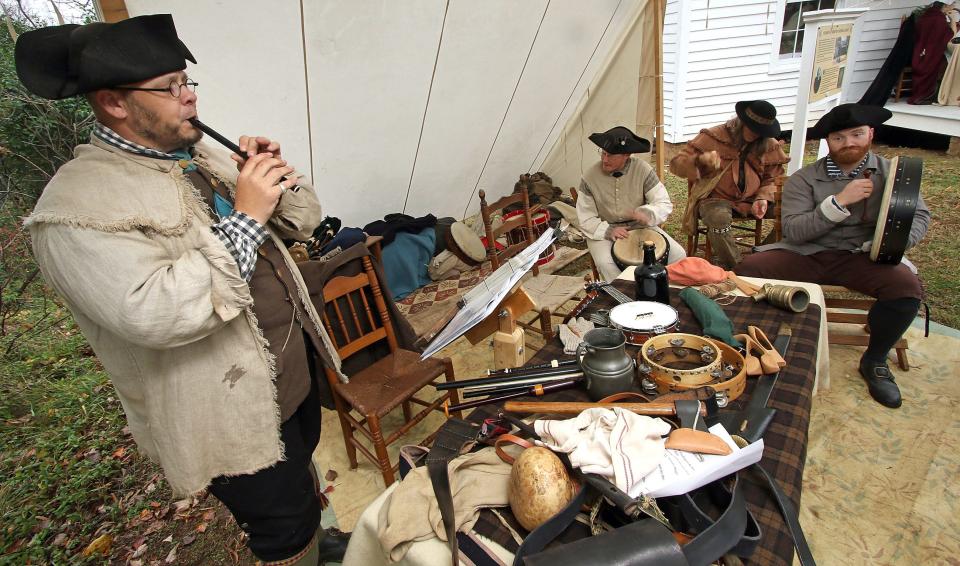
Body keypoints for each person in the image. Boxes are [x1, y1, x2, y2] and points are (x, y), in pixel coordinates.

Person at [15, 15, 349, 565]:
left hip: (293, 375)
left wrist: (267, 175)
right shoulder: (73, 210)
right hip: (228, 410)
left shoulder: (197, 152)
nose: (189, 98)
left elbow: (305, 222)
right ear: (114, 103)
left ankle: (319, 536)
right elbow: (155, 311)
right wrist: (245, 216)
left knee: (302, 483)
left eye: (188, 81)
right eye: (171, 87)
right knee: (281, 529)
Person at [735, 103, 930, 409]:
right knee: (748, 269)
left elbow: (918, 216)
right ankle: (762, 344)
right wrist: (839, 202)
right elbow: (795, 231)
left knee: (905, 288)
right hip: (807, 253)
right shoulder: (805, 178)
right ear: (828, 142)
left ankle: (875, 359)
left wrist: (888, 246)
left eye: (857, 134)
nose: (849, 142)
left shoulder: (893, 174)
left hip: (861, 256)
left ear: (871, 134)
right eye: (839, 137)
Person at [669, 100, 789, 269]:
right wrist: (699, 161)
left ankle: (763, 256)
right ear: (741, 123)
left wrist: (762, 198)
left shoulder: (768, 144)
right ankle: (739, 267)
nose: (755, 134)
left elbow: (774, 178)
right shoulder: (712, 136)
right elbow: (676, 165)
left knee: (792, 213)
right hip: (716, 199)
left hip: (753, 199)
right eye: (752, 128)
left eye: (760, 132)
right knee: (718, 218)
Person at [576, 126, 686, 282]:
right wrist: (609, 231)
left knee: (678, 255)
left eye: (611, 155)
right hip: (603, 231)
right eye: (603, 153)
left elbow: (663, 202)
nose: (604, 159)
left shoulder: (643, 170)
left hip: (640, 226)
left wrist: (647, 213)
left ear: (626, 155)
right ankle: (625, 301)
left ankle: (664, 295)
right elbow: (585, 218)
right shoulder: (589, 177)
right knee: (606, 264)